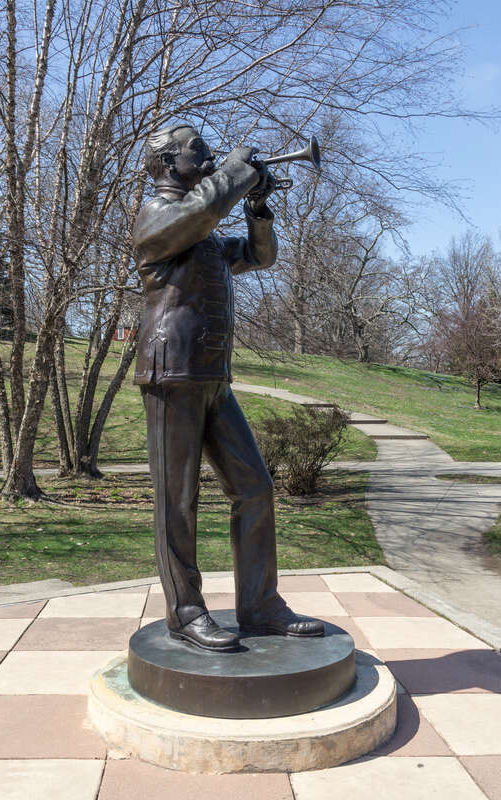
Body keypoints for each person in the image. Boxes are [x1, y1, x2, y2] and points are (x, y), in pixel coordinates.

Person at [132, 122, 324, 652]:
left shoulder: (206, 233)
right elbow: (197, 214)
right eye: (198, 149)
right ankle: (185, 613)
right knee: (178, 502)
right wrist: (238, 173)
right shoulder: (157, 216)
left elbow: (260, 257)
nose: (211, 153)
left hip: (213, 376)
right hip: (171, 373)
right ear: (169, 163)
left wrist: (258, 208)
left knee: (255, 488)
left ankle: (260, 607)